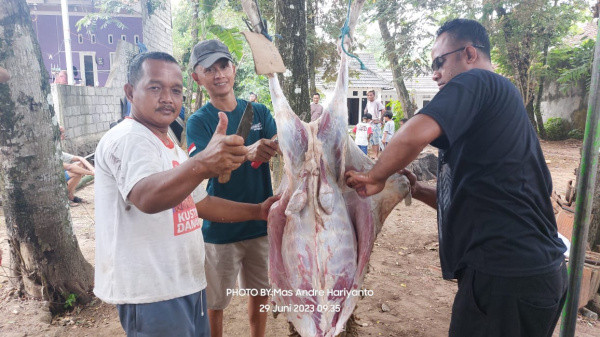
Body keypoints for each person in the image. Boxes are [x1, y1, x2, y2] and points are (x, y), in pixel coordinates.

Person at [346, 19, 567, 337]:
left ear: (469, 54)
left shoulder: (479, 80)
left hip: (508, 277)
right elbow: (476, 198)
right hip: (527, 275)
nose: (434, 74)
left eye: (439, 62)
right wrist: (419, 190)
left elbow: (413, 135)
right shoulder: (494, 107)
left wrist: (374, 176)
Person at [93, 51, 278, 337]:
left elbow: (201, 203)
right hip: (153, 295)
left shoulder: (169, 146)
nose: (167, 98)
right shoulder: (129, 138)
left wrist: (257, 211)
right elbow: (145, 197)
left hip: (185, 286)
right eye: (155, 87)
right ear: (130, 92)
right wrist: (203, 164)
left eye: (175, 90)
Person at [187, 39, 279, 337]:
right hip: (220, 228)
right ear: (196, 78)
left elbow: (283, 144)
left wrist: (276, 144)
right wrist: (248, 152)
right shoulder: (198, 122)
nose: (219, 74)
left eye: (224, 65)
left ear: (234, 69)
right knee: (215, 303)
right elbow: (204, 167)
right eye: (209, 69)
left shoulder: (259, 112)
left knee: (260, 296)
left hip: (260, 223)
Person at [60, 126, 95, 204]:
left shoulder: (58, 149)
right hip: (54, 178)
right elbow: (69, 167)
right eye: (61, 133)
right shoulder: (52, 151)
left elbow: (81, 158)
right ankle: (68, 196)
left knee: (80, 165)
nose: (63, 136)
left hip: (61, 174)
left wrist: (92, 169)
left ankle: (69, 195)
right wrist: (92, 173)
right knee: (76, 173)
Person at [364, 90, 385, 158]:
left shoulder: (377, 102)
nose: (369, 96)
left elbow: (383, 110)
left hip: (376, 123)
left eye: (371, 95)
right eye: (368, 95)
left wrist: (380, 120)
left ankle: (376, 155)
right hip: (370, 123)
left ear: (374, 95)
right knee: (371, 140)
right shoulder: (368, 103)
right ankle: (374, 154)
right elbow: (366, 110)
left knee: (376, 139)